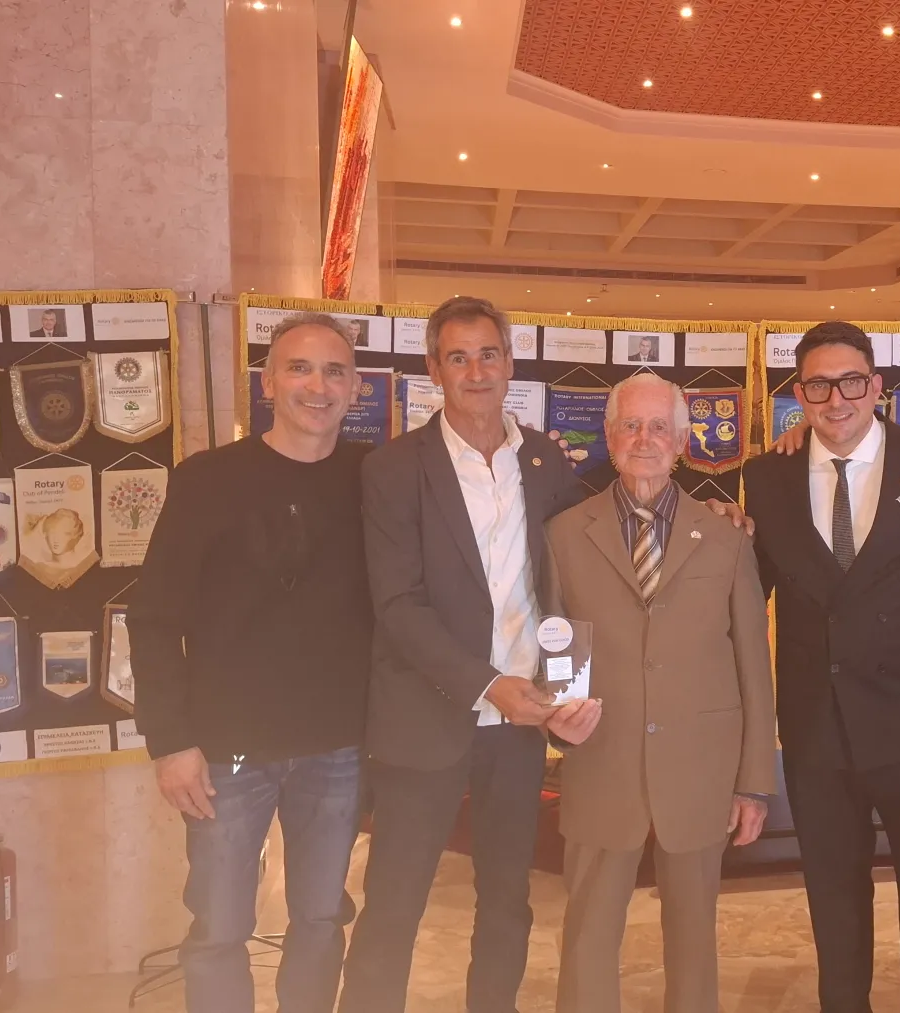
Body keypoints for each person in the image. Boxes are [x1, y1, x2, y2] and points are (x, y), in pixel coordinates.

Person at [339, 297, 748, 1013]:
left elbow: (613, 527)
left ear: (509, 362)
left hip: (519, 731)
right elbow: (397, 606)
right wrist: (488, 684)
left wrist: (710, 511)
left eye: (488, 354)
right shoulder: (393, 469)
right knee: (394, 907)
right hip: (426, 720)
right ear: (434, 367)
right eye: (458, 357)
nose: (476, 371)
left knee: (506, 905)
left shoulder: (544, 460)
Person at [129, 312, 372, 1013]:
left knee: (321, 919)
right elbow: (154, 618)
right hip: (225, 750)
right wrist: (170, 741)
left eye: (334, 371)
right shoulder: (207, 480)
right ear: (268, 383)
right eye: (300, 368)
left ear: (355, 387)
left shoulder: (374, 478)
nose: (317, 386)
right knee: (219, 928)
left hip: (336, 745)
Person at [744, 321, 900, 1012]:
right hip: (818, 730)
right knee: (835, 905)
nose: (836, 399)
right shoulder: (767, 476)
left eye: (850, 382)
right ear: (799, 396)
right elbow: (750, 593)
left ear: (876, 386)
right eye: (818, 386)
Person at [542, 373, 775, 1013]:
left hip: (700, 771)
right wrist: (559, 713)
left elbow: (753, 665)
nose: (644, 439)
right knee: (588, 933)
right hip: (603, 762)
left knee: (695, 938)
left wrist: (754, 782)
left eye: (658, 427)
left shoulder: (726, 537)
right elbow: (559, 644)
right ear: (609, 436)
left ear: (681, 441)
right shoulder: (564, 534)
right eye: (631, 426)